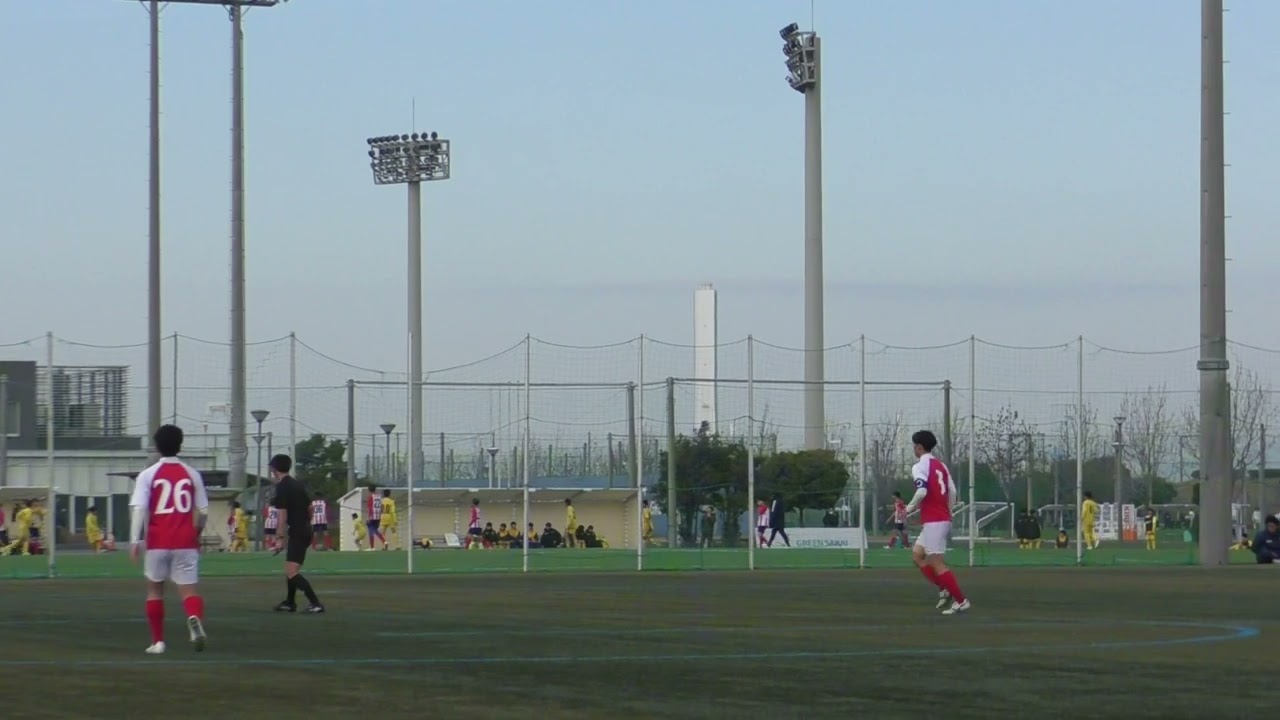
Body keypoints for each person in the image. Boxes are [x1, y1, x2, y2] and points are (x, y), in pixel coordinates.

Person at [129, 424, 209, 654]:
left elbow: (139, 509)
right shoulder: (192, 474)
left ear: (156, 446)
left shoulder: (148, 474)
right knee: (189, 590)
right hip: (185, 541)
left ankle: (158, 642)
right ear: (180, 445)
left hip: (158, 541)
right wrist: (197, 533)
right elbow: (203, 511)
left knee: (155, 590)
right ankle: (194, 617)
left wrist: (135, 541)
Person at [904, 429, 969, 615]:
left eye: (914, 446)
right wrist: (948, 510)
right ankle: (944, 588)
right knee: (917, 556)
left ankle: (961, 601)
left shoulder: (918, 467)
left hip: (935, 520)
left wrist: (908, 508)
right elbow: (953, 492)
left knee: (935, 561)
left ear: (919, 447)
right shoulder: (941, 465)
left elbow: (922, 491)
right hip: (939, 518)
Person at [268, 455, 324, 613]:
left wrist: (279, 538)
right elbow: (310, 508)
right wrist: (306, 523)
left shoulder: (282, 487)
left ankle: (315, 603)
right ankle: (290, 602)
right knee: (290, 567)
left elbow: (282, 515)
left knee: (292, 571)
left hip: (298, 531)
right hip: (305, 529)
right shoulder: (297, 484)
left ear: (274, 468)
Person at [364, 485, 385, 551]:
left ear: (369, 490)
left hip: (372, 516)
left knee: (371, 530)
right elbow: (382, 507)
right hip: (378, 516)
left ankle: (372, 547)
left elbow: (370, 508)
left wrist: (369, 517)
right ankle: (384, 541)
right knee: (376, 530)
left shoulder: (370, 497)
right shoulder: (379, 497)